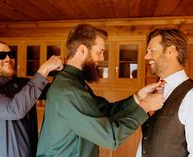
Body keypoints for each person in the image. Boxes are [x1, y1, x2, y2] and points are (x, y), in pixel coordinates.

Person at [37, 23, 165, 157]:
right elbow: (110, 137)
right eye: (99, 52)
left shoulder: (76, 84)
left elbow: (105, 112)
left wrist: (139, 97)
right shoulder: (69, 90)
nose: (102, 58)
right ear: (82, 50)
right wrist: (145, 107)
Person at [0, 41, 63, 157]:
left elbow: (54, 92)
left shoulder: (23, 84)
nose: (8, 59)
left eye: (11, 54)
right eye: (1, 55)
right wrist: (44, 69)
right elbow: (14, 110)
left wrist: (67, 70)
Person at [136, 28, 193, 157]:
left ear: (170, 51)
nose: (146, 56)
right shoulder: (153, 91)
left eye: (151, 51)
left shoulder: (191, 95)